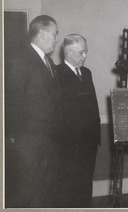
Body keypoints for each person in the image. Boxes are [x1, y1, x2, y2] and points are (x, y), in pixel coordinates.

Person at [5, 15, 63, 207]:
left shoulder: (50, 63)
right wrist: (14, 138)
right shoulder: (20, 60)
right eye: (55, 34)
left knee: (44, 192)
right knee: (26, 193)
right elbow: (12, 101)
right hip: (28, 143)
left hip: (48, 141)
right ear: (43, 33)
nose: (56, 39)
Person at [56, 34, 101, 208]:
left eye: (86, 51)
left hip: (89, 141)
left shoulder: (87, 73)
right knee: (69, 187)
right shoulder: (57, 74)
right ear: (68, 52)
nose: (85, 56)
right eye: (81, 52)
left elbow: (93, 105)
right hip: (69, 143)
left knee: (86, 183)